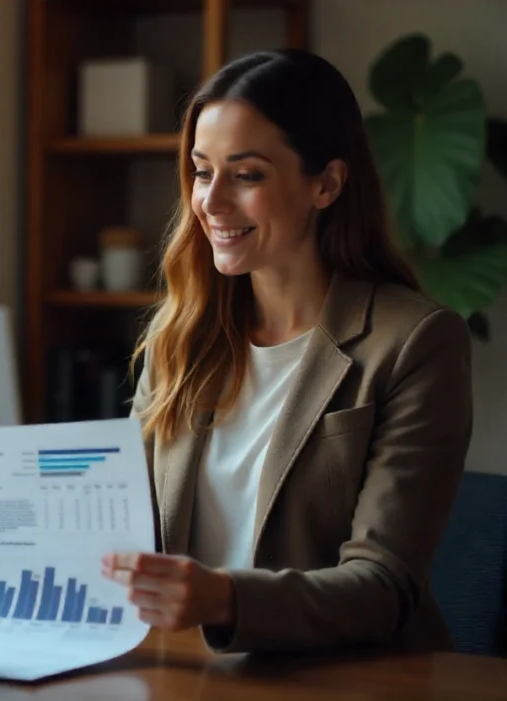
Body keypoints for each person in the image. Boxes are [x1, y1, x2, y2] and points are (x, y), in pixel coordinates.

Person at [102, 50, 473, 654]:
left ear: (325, 183)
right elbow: (123, 529)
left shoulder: (414, 342)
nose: (212, 202)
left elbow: (383, 584)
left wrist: (224, 599)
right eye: (201, 171)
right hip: (187, 674)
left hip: (349, 683)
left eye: (246, 175)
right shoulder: (182, 337)